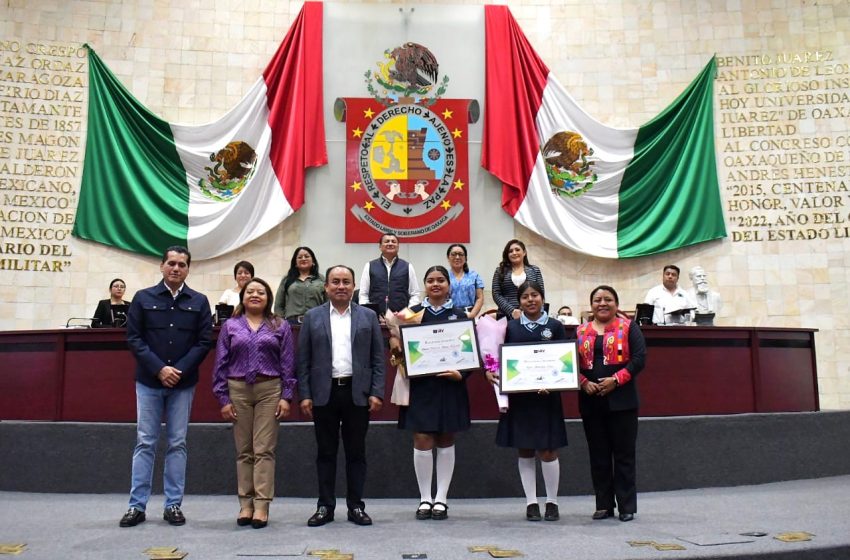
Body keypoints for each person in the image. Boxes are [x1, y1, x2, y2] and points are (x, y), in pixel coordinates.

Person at [119, 246, 213, 528]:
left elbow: (204, 341)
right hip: (149, 381)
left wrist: (179, 370)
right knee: (145, 442)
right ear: (162, 266)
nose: (176, 268)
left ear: (188, 269)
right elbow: (134, 338)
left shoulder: (199, 301)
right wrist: (159, 368)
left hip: (183, 384)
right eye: (171, 263)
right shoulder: (143, 298)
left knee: (177, 443)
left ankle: (173, 505)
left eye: (182, 265)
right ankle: (136, 506)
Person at [298, 265, 385, 527]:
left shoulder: (368, 316)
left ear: (354, 286)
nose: (341, 286)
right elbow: (303, 361)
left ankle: (356, 506)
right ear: (326, 286)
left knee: (356, 453)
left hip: (357, 393)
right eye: (335, 281)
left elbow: (378, 359)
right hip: (324, 394)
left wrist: (377, 392)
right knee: (325, 452)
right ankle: (325, 506)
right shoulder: (312, 317)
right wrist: (305, 394)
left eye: (346, 281)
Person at [212, 277, 296, 529]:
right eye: (251, 291)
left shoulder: (280, 325)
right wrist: (223, 398)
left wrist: (286, 396)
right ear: (243, 296)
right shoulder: (230, 326)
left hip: (270, 390)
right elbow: (220, 364)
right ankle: (245, 504)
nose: (255, 295)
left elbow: (288, 362)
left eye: (261, 292)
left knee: (264, 450)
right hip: (237, 389)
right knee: (244, 450)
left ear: (268, 297)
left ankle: (261, 505)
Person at [486, 281, 567, 522]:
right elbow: (495, 355)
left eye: (535, 295)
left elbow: (565, 362)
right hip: (520, 399)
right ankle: (531, 502)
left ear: (542, 298)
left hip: (547, 398)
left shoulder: (555, 326)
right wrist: (489, 370)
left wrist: (554, 383)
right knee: (525, 449)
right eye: (525, 297)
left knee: (549, 450)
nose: (530, 300)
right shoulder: (509, 327)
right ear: (518, 301)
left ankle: (552, 501)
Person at [400, 266, 471, 521]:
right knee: (422, 439)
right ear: (424, 286)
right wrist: (400, 357)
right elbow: (402, 352)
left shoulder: (460, 314)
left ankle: (441, 498)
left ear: (448, 284)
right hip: (421, 388)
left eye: (441, 280)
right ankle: (424, 498)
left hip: (450, 387)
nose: (436, 284)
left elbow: (470, 352)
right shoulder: (412, 315)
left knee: (445, 439)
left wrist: (461, 375)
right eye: (430, 280)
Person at [576, 285, 646, 522]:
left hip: (622, 401)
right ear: (591, 304)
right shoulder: (580, 330)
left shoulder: (629, 327)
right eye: (597, 300)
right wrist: (583, 381)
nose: (602, 303)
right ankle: (604, 504)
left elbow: (639, 359)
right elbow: (568, 363)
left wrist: (616, 380)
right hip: (590, 400)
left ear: (616, 304)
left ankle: (627, 506)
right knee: (598, 455)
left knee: (624, 455)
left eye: (608, 299)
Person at [358, 233, 420, 315]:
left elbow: (415, 294)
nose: (390, 243)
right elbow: (363, 294)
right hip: (375, 319)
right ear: (380, 246)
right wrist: (369, 314)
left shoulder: (407, 266)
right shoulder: (369, 266)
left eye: (393, 242)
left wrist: (406, 314)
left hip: (401, 319)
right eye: (387, 241)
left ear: (398, 246)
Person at [491, 239, 544, 320]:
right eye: (510, 251)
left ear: (524, 252)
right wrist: (512, 311)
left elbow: (541, 293)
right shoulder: (499, 271)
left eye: (517, 250)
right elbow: (496, 294)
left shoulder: (534, 270)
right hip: (506, 315)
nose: (514, 253)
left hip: (531, 315)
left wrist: (540, 312)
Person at [274, 246, 326, 323]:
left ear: (313, 261)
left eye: (307, 256)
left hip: (316, 321)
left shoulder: (321, 279)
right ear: (295, 262)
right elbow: (278, 305)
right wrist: (281, 322)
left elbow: (328, 302)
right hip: (292, 323)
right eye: (300, 257)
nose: (303, 259)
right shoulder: (287, 279)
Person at [446, 243, 484, 319]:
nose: (457, 257)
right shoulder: (443, 276)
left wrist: (472, 315)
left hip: (470, 314)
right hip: (449, 315)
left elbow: (480, 298)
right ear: (448, 258)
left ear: (466, 258)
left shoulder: (474, 275)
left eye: (460, 254)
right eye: (453, 254)